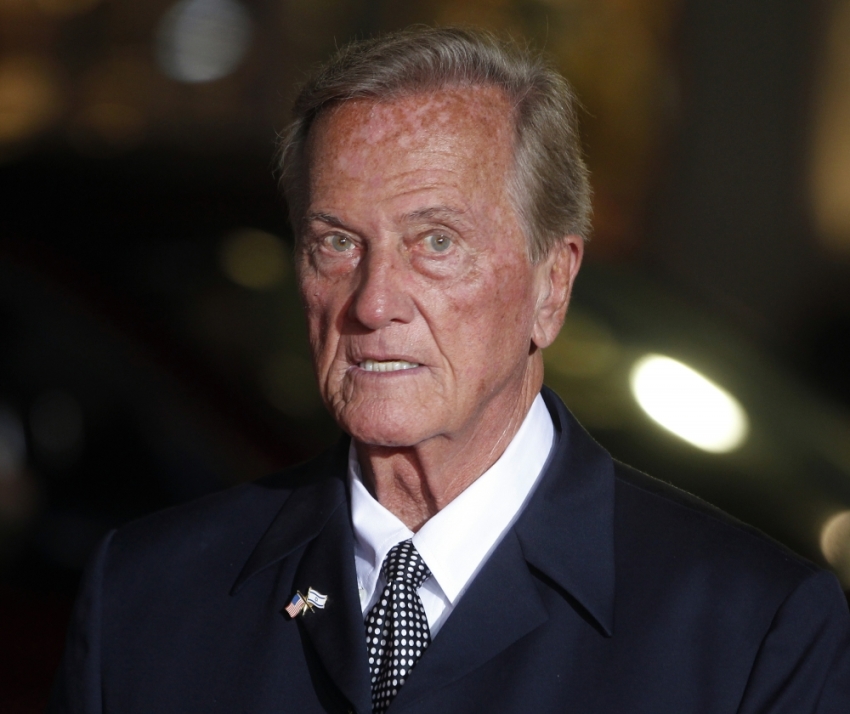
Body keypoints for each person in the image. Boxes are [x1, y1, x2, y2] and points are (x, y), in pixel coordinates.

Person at [50, 27, 849, 714]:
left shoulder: (752, 632)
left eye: (436, 242)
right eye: (337, 242)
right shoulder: (147, 597)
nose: (373, 302)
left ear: (552, 285)